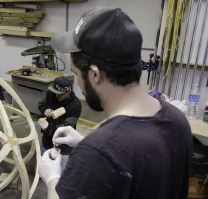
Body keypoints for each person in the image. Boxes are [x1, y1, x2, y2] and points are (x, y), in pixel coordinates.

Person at [38, 7, 193, 199]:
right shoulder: (178, 120)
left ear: (95, 74)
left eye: (77, 74)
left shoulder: (99, 151)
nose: (77, 83)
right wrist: (86, 143)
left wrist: (52, 178)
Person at [38, 76, 82, 156]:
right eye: (56, 93)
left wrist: (48, 128)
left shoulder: (75, 105)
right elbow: (41, 104)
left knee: (61, 166)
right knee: (43, 163)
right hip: (47, 141)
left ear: (69, 91)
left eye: (61, 94)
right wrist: (45, 110)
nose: (57, 96)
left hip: (64, 145)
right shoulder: (51, 94)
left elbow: (65, 130)